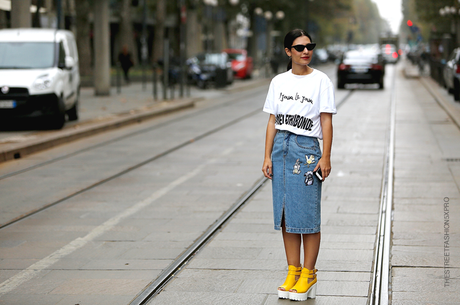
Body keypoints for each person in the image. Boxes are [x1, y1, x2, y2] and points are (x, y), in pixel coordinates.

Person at [262, 29, 336, 302]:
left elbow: (326, 120)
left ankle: (309, 272)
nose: (306, 51)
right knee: (285, 214)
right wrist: (267, 155)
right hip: (281, 147)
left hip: (306, 149)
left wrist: (325, 156)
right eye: (299, 47)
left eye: (309, 46)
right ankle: (293, 271)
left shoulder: (321, 81)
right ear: (288, 52)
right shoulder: (278, 81)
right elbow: (272, 121)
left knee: (306, 213)